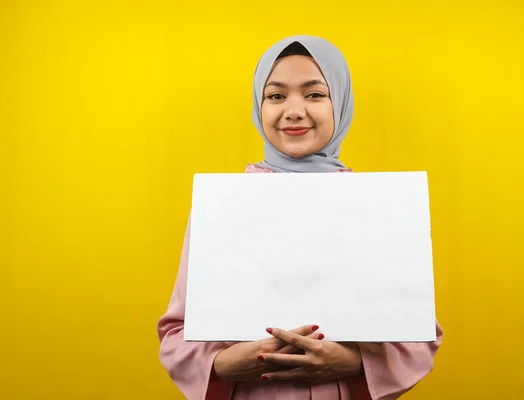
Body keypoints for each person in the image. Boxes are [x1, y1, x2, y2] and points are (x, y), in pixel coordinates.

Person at [157, 35, 443, 400]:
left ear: (340, 101)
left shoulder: (380, 205)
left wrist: (355, 363)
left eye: (314, 94)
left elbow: (419, 334)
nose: (293, 110)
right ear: (258, 105)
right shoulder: (223, 205)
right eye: (276, 95)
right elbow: (176, 332)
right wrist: (223, 365)